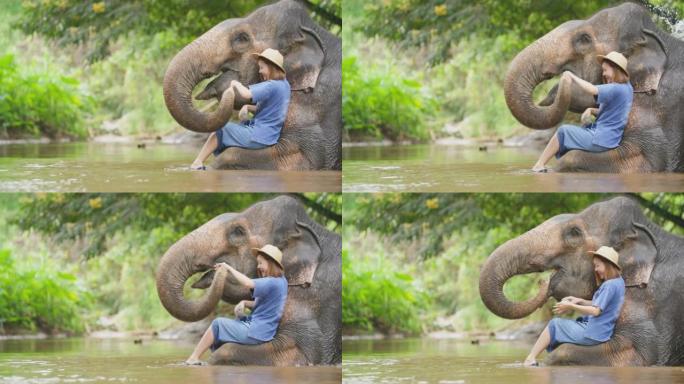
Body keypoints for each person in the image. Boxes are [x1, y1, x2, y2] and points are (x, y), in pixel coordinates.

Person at [184, 244, 288, 365]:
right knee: (227, 324)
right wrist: (244, 302)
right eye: (258, 263)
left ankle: (194, 357)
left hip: (257, 331)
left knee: (217, 324)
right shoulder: (281, 282)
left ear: (271, 263)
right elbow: (263, 304)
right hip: (262, 331)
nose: (259, 267)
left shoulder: (271, 282)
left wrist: (228, 268)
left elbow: (248, 283)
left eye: (261, 263)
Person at [523, 246, 625, 366]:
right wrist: (578, 300)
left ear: (608, 265)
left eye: (598, 266)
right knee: (560, 324)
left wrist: (571, 306)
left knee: (554, 324)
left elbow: (596, 311)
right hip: (602, 332)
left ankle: (530, 358)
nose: (596, 270)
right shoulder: (619, 282)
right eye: (595, 266)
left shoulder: (609, 285)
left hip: (593, 333)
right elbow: (599, 304)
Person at [531, 51, 633, 172]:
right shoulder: (627, 88)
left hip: (602, 139)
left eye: (606, 70)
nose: (604, 74)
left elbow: (592, 89)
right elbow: (611, 112)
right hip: (609, 138)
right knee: (573, 130)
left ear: (616, 70)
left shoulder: (616, 88)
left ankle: (539, 164)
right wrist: (590, 110)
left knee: (563, 131)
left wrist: (571, 76)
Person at [190, 48, 291, 170]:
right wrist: (247, 107)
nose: (260, 71)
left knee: (221, 129)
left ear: (272, 68)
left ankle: (197, 162)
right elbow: (269, 110)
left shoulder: (271, 85)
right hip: (269, 135)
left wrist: (235, 83)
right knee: (233, 127)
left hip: (260, 136)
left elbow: (247, 94)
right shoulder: (285, 85)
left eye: (262, 67)